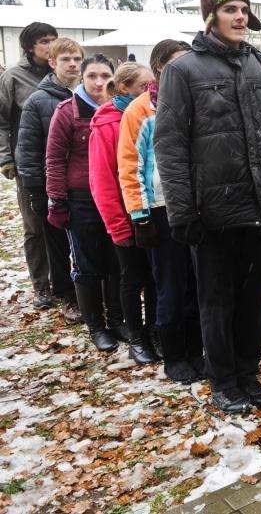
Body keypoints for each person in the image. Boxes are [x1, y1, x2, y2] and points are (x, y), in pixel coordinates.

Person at [156, 0, 261, 413]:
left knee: (253, 298)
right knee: (217, 302)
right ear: (211, 16)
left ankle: (248, 372)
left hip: (260, 207)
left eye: (244, 9)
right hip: (213, 212)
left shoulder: (258, 68)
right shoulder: (184, 71)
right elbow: (170, 144)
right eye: (231, 9)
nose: (240, 17)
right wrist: (182, 211)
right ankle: (222, 379)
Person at [119, 39, 205, 383]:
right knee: (171, 284)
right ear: (159, 68)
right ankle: (174, 354)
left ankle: (197, 347)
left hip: (198, 205)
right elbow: (130, 165)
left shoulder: (197, 101)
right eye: (177, 63)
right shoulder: (141, 110)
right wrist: (139, 215)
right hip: (160, 207)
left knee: (198, 282)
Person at [46, 55, 123, 352]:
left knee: (117, 261)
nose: (99, 82)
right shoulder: (68, 111)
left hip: (115, 197)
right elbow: (53, 159)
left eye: (105, 75)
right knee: (88, 264)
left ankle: (118, 319)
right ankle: (96, 325)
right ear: (83, 78)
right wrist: (57, 201)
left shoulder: (118, 108)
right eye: (92, 75)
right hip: (82, 200)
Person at [89, 62, 160, 365]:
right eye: (144, 86)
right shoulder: (107, 125)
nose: (150, 90)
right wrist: (119, 225)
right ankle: (137, 337)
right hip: (126, 214)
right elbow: (103, 181)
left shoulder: (152, 114)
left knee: (156, 276)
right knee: (131, 278)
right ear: (124, 88)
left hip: (151, 209)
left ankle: (155, 329)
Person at [15, 36, 79, 317]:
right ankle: (66, 295)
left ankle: (92, 292)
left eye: (77, 58)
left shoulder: (89, 94)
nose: (73, 64)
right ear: (52, 63)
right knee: (56, 244)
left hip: (84, 185)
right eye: (66, 59)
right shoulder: (37, 101)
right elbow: (27, 150)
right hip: (52, 185)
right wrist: (37, 191)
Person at [1, 22, 60, 312]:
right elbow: (1, 121)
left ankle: (68, 281)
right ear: (29, 47)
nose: (50, 45)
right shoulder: (14, 76)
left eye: (54, 39)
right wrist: (6, 158)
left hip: (63, 161)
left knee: (62, 222)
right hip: (29, 164)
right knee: (35, 226)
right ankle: (42, 285)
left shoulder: (62, 73)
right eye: (44, 41)